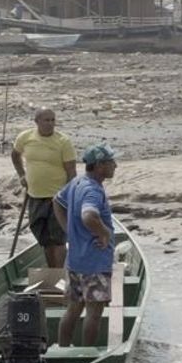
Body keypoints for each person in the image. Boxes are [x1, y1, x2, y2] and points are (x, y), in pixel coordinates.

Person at [53, 144, 119, 348]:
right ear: (99, 166)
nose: (115, 165)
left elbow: (57, 201)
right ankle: (87, 354)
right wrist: (105, 233)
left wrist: (69, 231)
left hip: (75, 262)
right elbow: (89, 215)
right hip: (94, 263)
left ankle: (63, 350)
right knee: (94, 314)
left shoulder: (77, 182)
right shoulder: (92, 190)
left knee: (73, 309)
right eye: (111, 162)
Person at [11, 108, 77, 269]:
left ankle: (59, 274)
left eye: (52, 120)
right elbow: (15, 155)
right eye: (46, 120)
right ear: (37, 122)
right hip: (34, 195)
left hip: (57, 198)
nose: (50, 123)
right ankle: (52, 271)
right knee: (45, 238)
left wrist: (69, 196)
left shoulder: (63, 141)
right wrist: (21, 174)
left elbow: (71, 172)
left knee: (58, 238)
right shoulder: (25, 137)